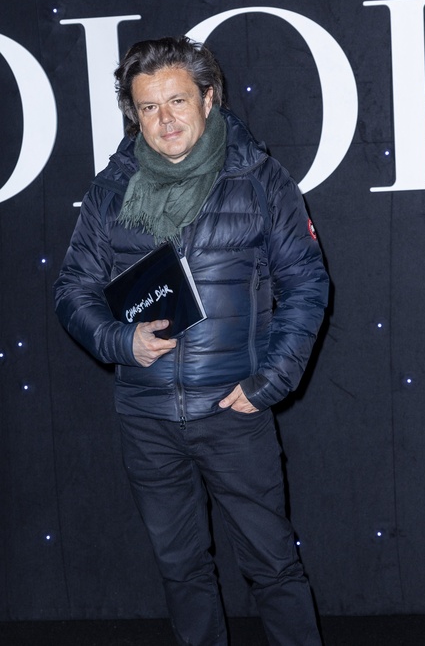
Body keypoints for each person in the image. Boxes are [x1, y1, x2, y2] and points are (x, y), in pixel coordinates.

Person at [54, 36, 329, 646]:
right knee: (181, 573)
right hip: (146, 420)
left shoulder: (260, 179)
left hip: (234, 412)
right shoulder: (110, 190)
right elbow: (72, 291)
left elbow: (307, 284)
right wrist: (119, 342)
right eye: (148, 107)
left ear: (208, 98)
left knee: (274, 567)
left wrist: (270, 383)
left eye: (177, 101)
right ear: (135, 115)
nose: (165, 119)